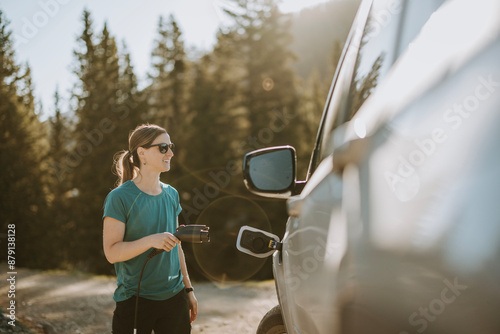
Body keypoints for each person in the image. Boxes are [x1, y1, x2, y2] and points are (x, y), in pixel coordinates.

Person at [102, 124, 197, 334]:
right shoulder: (119, 197)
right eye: (163, 147)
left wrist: (188, 290)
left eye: (170, 146)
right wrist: (150, 240)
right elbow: (111, 252)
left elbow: (176, 245)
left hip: (175, 299)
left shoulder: (171, 194)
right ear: (142, 153)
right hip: (135, 301)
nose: (170, 152)